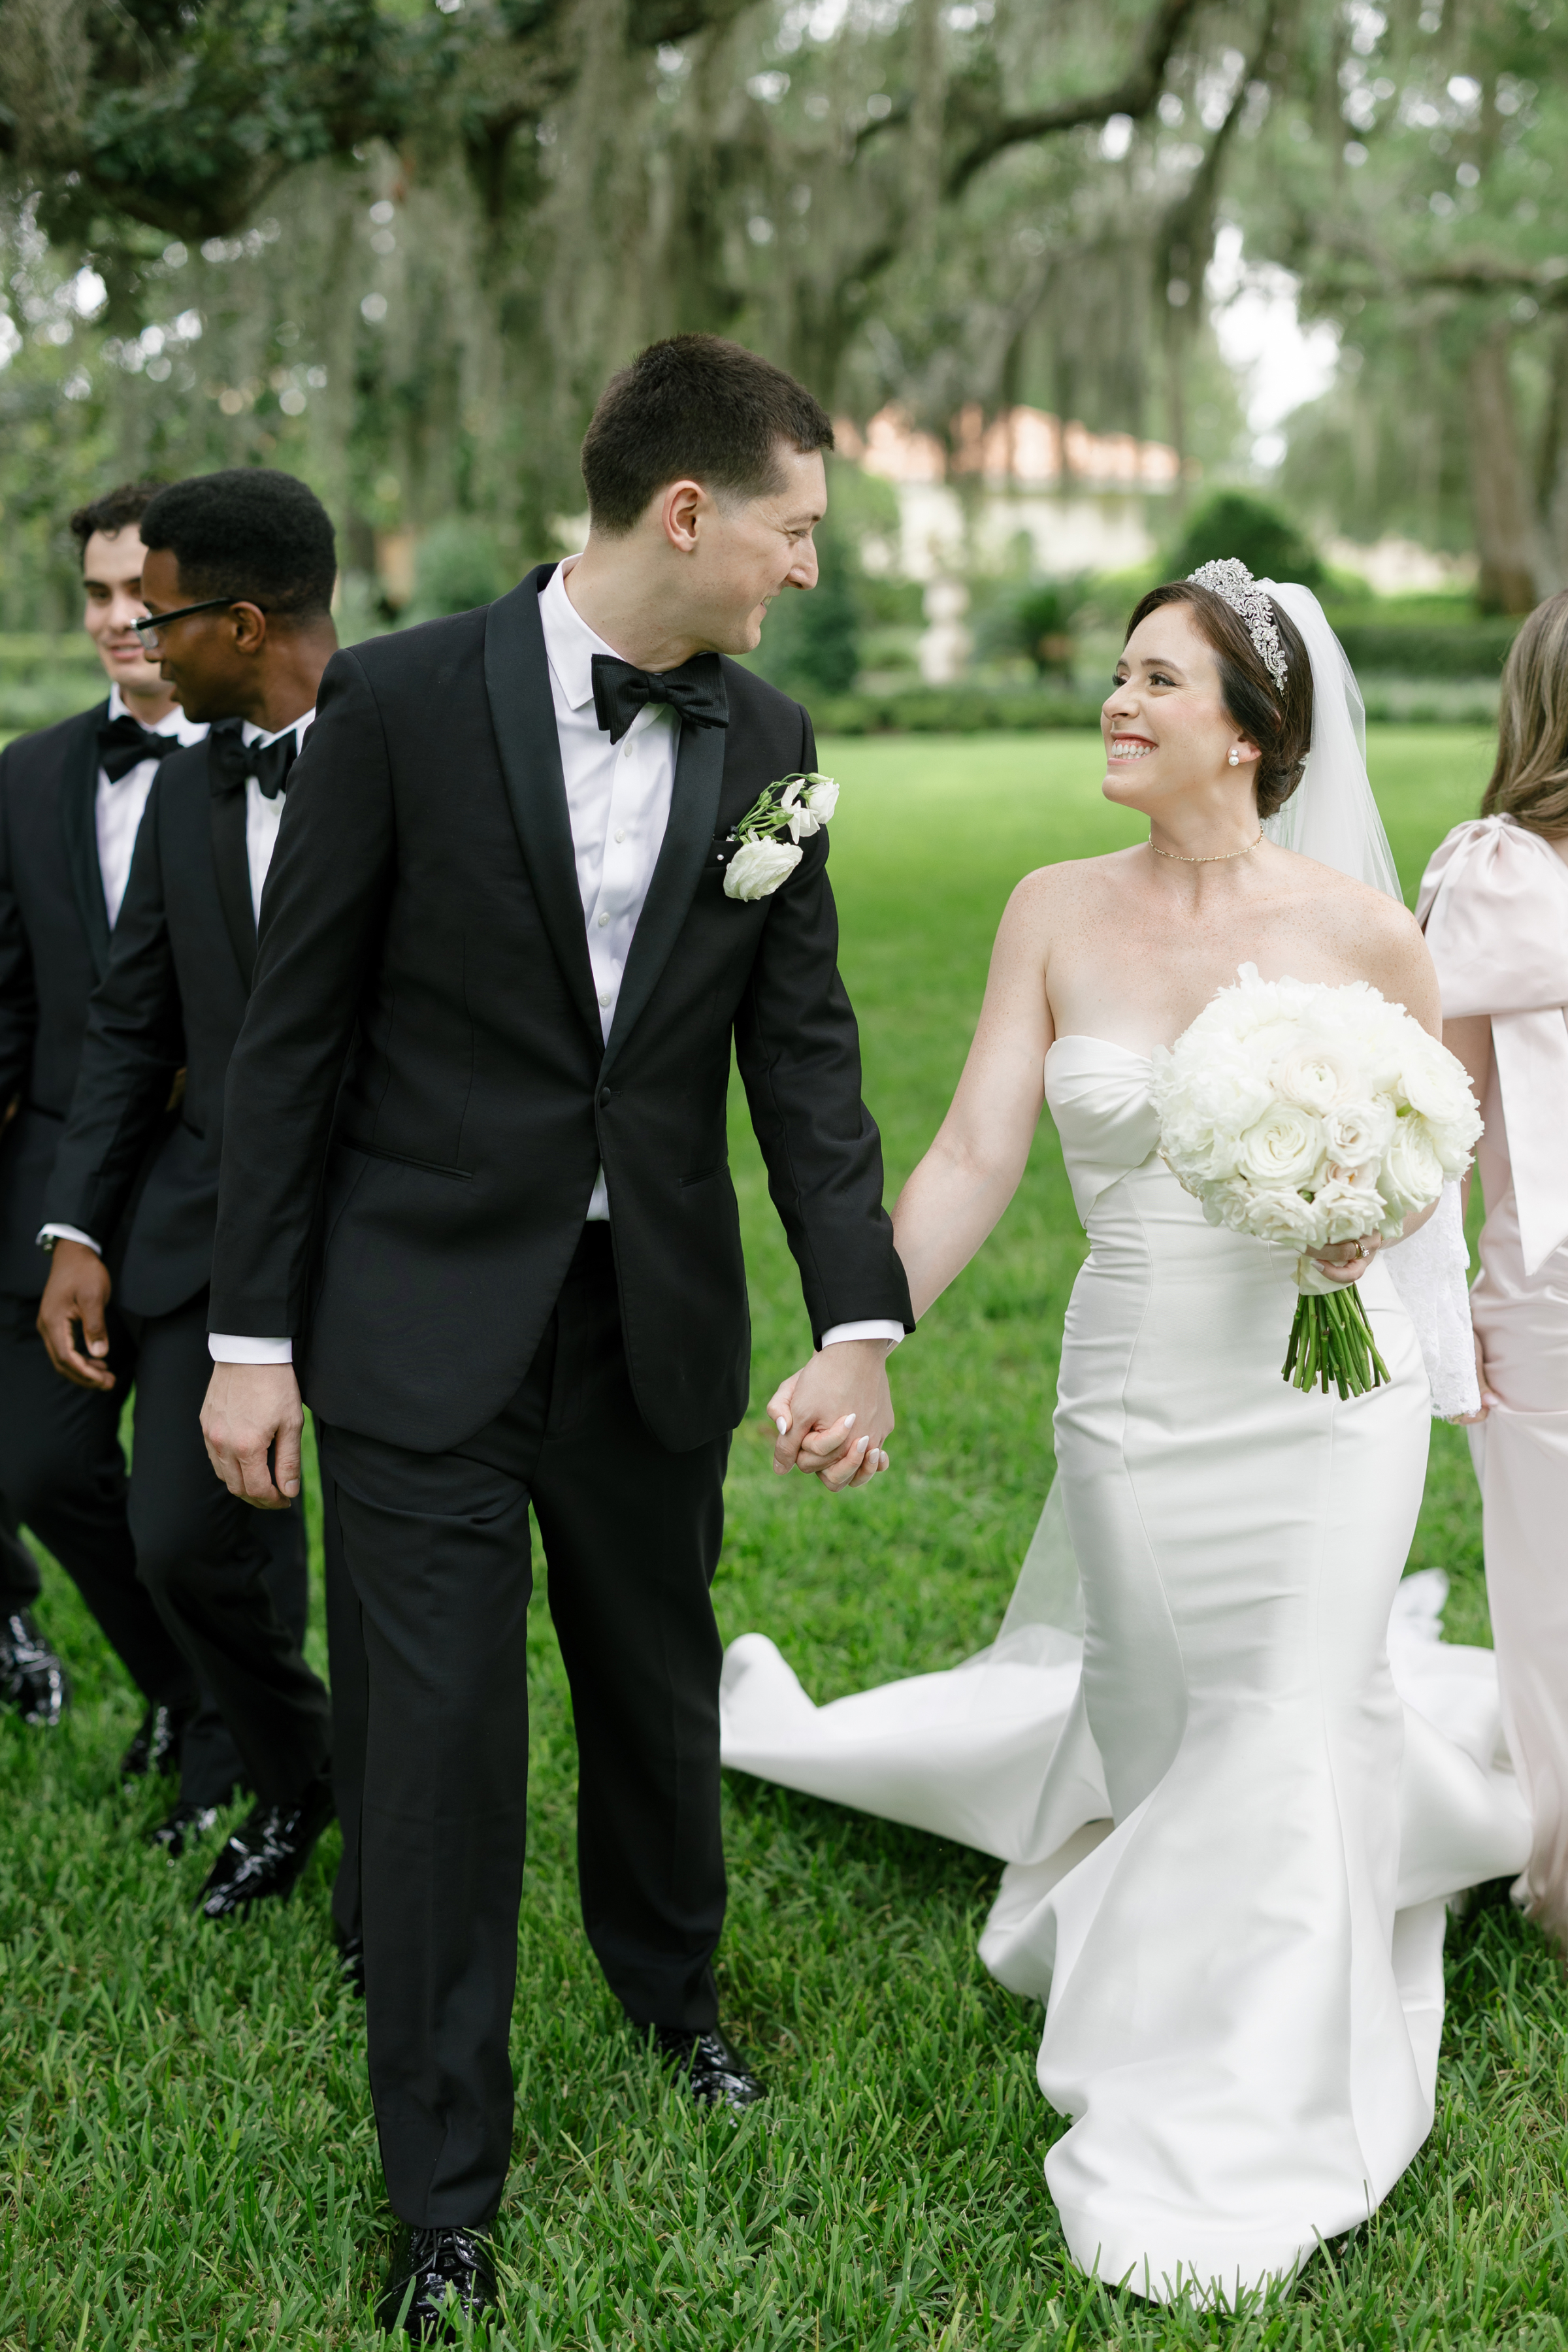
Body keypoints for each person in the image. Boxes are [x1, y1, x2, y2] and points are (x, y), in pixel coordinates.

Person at [197, 333, 911, 2337]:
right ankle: (444, 2187)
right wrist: (253, 1338)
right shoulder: (403, 704)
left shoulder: (771, 739)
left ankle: (672, 1996)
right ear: (687, 512)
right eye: (794, 532)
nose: (805, 571)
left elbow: (807, 1051)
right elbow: (293, 1040)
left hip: (647, 1316)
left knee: (652, 1681)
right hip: (415, 1318)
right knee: (433, 1757)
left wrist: (857, 1316)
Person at [721, 564, 1530, 2303]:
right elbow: (968, 1161)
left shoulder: (1369, 933)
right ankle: (1187, 1946)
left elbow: (1432, 1146)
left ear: (1250, 731)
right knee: (1167, 1729)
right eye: (1118, 673)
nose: (1118, 701)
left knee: (1288, 1719)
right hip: (1137, 1397)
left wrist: (1361, 1221)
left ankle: (1240, 2112)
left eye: (1156, 680)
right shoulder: (1051, 911)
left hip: (1333, 1409)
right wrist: (863, 1341)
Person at [36, 470, 336, 1916]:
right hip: (208, 1220)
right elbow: (133, 1025)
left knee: (403, 1584)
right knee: (178, 1539)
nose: (140, 642)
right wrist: (81, 1225)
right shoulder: (188, 791)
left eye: (160, 616)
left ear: (245, 617)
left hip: (396, 1223)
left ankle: (363, 1855)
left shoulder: (404, 753)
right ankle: (300, 1773)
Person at [0, 482, 210, 1781]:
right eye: (97, 595)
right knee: (38, 1467)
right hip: (56, 1181)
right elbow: (10, 994)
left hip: (218, 1188)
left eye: (143, 591)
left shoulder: (293, 761)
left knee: (209, 1509)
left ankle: (235, 1714)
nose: (120, 618)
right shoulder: (25, 777)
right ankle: (181, 1686)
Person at [1418, 589, 1568, 1944]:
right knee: (1557, 1589)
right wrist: (1445, 1331)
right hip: (1555, 1297)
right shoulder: (1501, 877)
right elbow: (1443, 1127)